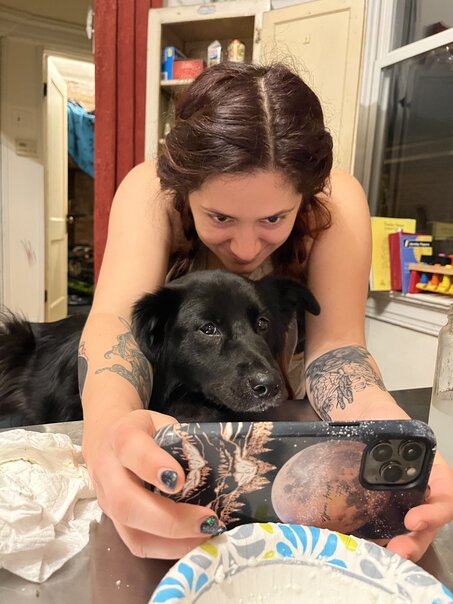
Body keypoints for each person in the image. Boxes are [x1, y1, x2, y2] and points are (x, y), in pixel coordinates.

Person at [80, 62, 453, 561]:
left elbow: (336, 349)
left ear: (306, 195)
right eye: (219, 217)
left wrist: (388, 430)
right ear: (186, 191)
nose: (245, 247)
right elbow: (115, 325)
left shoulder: (337, 204)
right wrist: (107, 431)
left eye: (274, 218)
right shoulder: (152, 191)